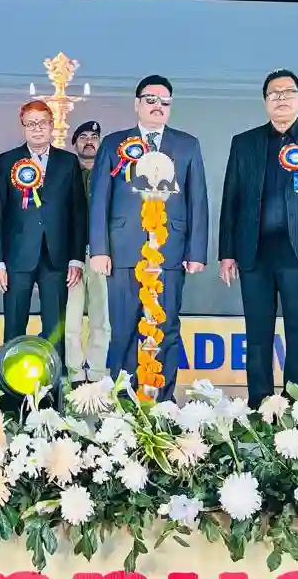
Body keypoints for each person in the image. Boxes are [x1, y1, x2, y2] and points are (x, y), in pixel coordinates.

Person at [218, 69, 298, 406]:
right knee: (257, 335)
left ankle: (297, 407)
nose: (281, 98)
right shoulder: (244, 142)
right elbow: (230, 199)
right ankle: (259, 406)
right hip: (254, 252)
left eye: (288, 92)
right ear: (265, 101)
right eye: (274, 93)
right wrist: (226, 252)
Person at [89, 75, 208, 399]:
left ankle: (164, 401)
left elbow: (198, 199)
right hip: (123, 250)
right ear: (137, 104)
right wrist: (99, 249)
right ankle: (124, 403)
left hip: (170, 250)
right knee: (124, 328)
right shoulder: (114, 143)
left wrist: (196, 251)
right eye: (151, 100)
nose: (158, 106)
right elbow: (99, 198)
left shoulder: (187, 145)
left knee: (166, 327)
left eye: (164, 101)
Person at [0, 100, 87, 359]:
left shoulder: (68, 162)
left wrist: (76, 258)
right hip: (17, 257)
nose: (37, 129)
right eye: (31, 124)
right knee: (13, 327)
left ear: (52, 125)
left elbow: (78, 213)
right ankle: (10, 381)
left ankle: (56, 382)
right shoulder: (7, 161)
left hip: (57, 258)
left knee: (55, 330)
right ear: (23, 127)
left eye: (42, 123)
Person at [63, 120, 111, 384]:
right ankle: (74, 374)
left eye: (94, 136)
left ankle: (97, 373)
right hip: (71, 254)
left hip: (101, 253)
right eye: (83, 136)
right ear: (74, 144)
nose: (89, 140)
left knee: (101, 318)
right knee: (71, 320)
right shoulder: (64, 173)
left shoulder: (111, 173)